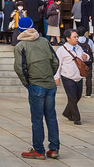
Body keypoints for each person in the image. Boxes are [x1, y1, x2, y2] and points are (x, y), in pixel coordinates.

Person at [15, 19, 61, 159]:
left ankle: (39, 150)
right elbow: (55, 61)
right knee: (51, 117)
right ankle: (54, 149)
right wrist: (48, 75)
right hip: (49, 84)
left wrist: (27, 83)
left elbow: (19, 68)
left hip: (36, 85)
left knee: (37, 119)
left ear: (19, 30)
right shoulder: (44, 41)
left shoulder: (20, 46)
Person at [53, 28, 88, 125]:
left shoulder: (78, 48)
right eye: (74, 37)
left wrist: (86, 57)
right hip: (67, 76)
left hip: (78, 76)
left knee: (78, 96)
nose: (77, 39)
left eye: (77, 37)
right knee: (72, 97)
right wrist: (57, 77)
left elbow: (83, 58)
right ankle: (77, 118)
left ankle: (67, 112)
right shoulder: (61, 50)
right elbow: (57, 64)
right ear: (68, 38)